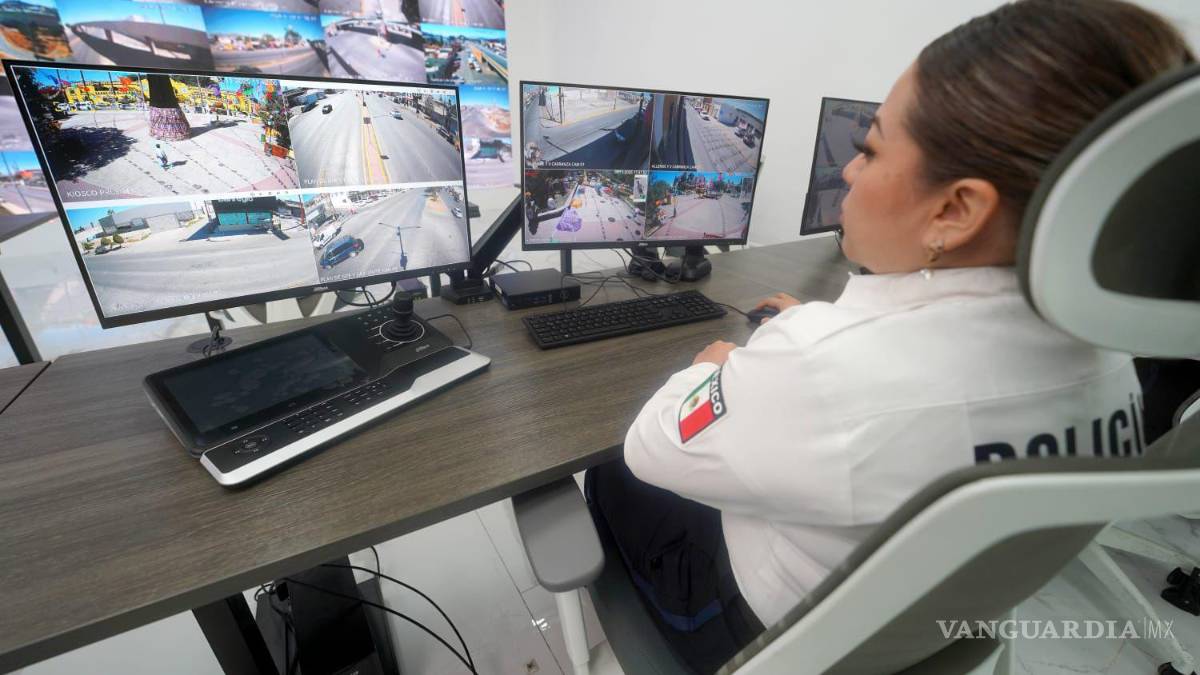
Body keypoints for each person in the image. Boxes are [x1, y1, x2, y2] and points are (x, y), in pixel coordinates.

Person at [584, 1, 1196, 673]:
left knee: (609, 473)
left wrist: (719, 364)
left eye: (870, 149)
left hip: (746, 629)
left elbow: (651, 447)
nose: (848, 171)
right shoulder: (1114, 367)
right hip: (912, 640)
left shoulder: (821, 364)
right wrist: (817, 337)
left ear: (955, 210)